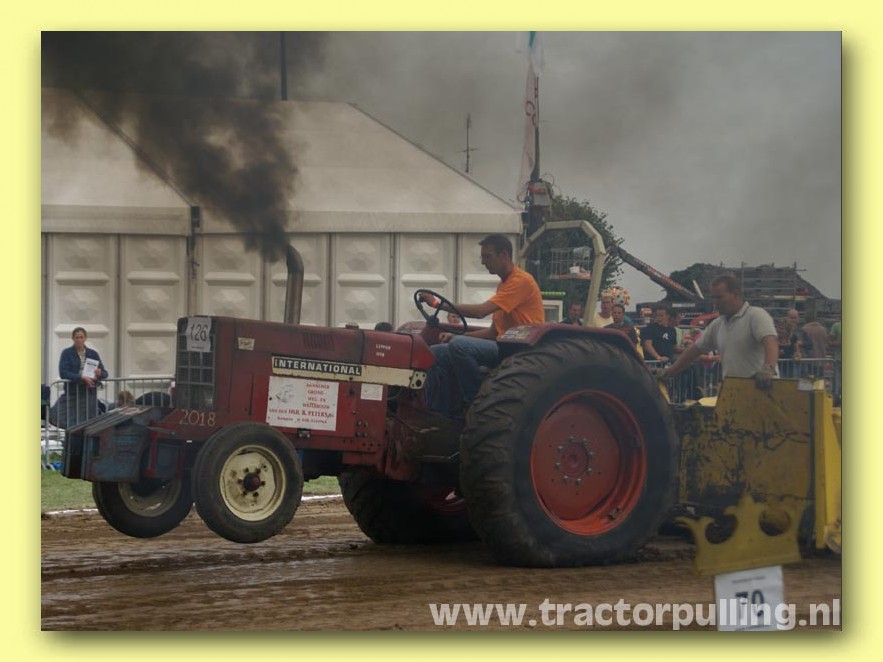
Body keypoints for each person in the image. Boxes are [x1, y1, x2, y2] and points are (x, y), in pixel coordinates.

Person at [420, 234, 544, 416]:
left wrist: (438, 304)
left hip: (519, 351)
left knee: (459, 346)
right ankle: (441, 413)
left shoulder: (521, 281)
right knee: (436, 352)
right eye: (482, 257)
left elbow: (480, 311)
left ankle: (478, 404)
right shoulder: (503, 285)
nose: (483, 262)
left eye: (487, 256)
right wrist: (457, 336)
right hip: (502, 345)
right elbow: (493, 333)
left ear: (504, 255)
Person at [660, 275, 779, 389]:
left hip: (763, 389)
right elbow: (695, 350)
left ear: (736, 294)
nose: (715, 302)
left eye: (719, 297)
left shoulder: (756, 315)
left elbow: (770, 341)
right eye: (713, 298)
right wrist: (669, 372)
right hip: (734, 390)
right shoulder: (718, 324)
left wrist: (768, 369)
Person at [53, 327, 108, 427]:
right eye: (77, 337)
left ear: (85, 338)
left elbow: (105, 373)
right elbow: (63, 372)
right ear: (73, 339)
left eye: (81, 337)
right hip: (73, 391)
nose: (79, 340)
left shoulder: (93, 353)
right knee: (64, 417)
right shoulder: (67, 353)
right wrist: (81, 377)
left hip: (89, 393)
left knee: (88, 420)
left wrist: (99, 373)